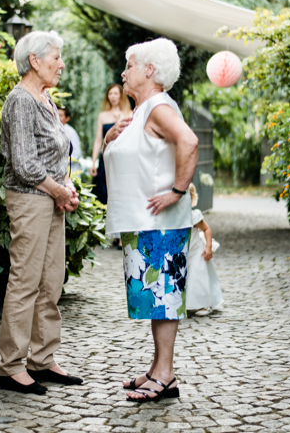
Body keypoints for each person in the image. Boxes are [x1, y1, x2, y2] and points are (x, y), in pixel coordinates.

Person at [103, 38, 199, 402]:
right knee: (158, 300)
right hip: (145, 223)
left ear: (149, 71)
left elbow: (188, 141)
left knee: (164, 298)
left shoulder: (158, 105)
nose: (123, 73)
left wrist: (177, 190)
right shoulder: (144, 109)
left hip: (162, 224)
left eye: (129, 65)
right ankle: (159, 370)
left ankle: (166, 375)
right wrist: (113, 138)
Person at [0, 30, 83, 395]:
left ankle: (43, 359)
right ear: (34, 60)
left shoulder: (45, 99)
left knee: (50, 280)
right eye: (56, 58)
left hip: (50, 197)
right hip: (30, 198)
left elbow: (53, 153)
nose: (61, 64)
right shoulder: (20, 100)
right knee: (25, 282)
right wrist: (58, 190)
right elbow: (24, 164)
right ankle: (11, 365)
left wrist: (67, 185)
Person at [89, 84, 132, 205]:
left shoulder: (129, 114)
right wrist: (93, 162)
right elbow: (98, 140)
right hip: (106, 156)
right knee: (103, 189)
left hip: (122, 157)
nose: (112, 96)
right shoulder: (102, 116)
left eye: (115, 93)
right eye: (110, 94)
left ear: (121, 96)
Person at [186, 183, 223, 317]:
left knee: (197, 278)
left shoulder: (194, 216)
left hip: (197, 252)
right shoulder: (173, 218)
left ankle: (202, 304)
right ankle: (186, 304)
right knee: (185, 278)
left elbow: (206, 229)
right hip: (183, 253)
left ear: (191, 199)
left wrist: (208, 247)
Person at [58, 107, 82, 174]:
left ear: (67, 118)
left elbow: (77, 153)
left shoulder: (71, 132)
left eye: (60, 115)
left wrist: (61, 162)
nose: (57, 117)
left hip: (71, 171)